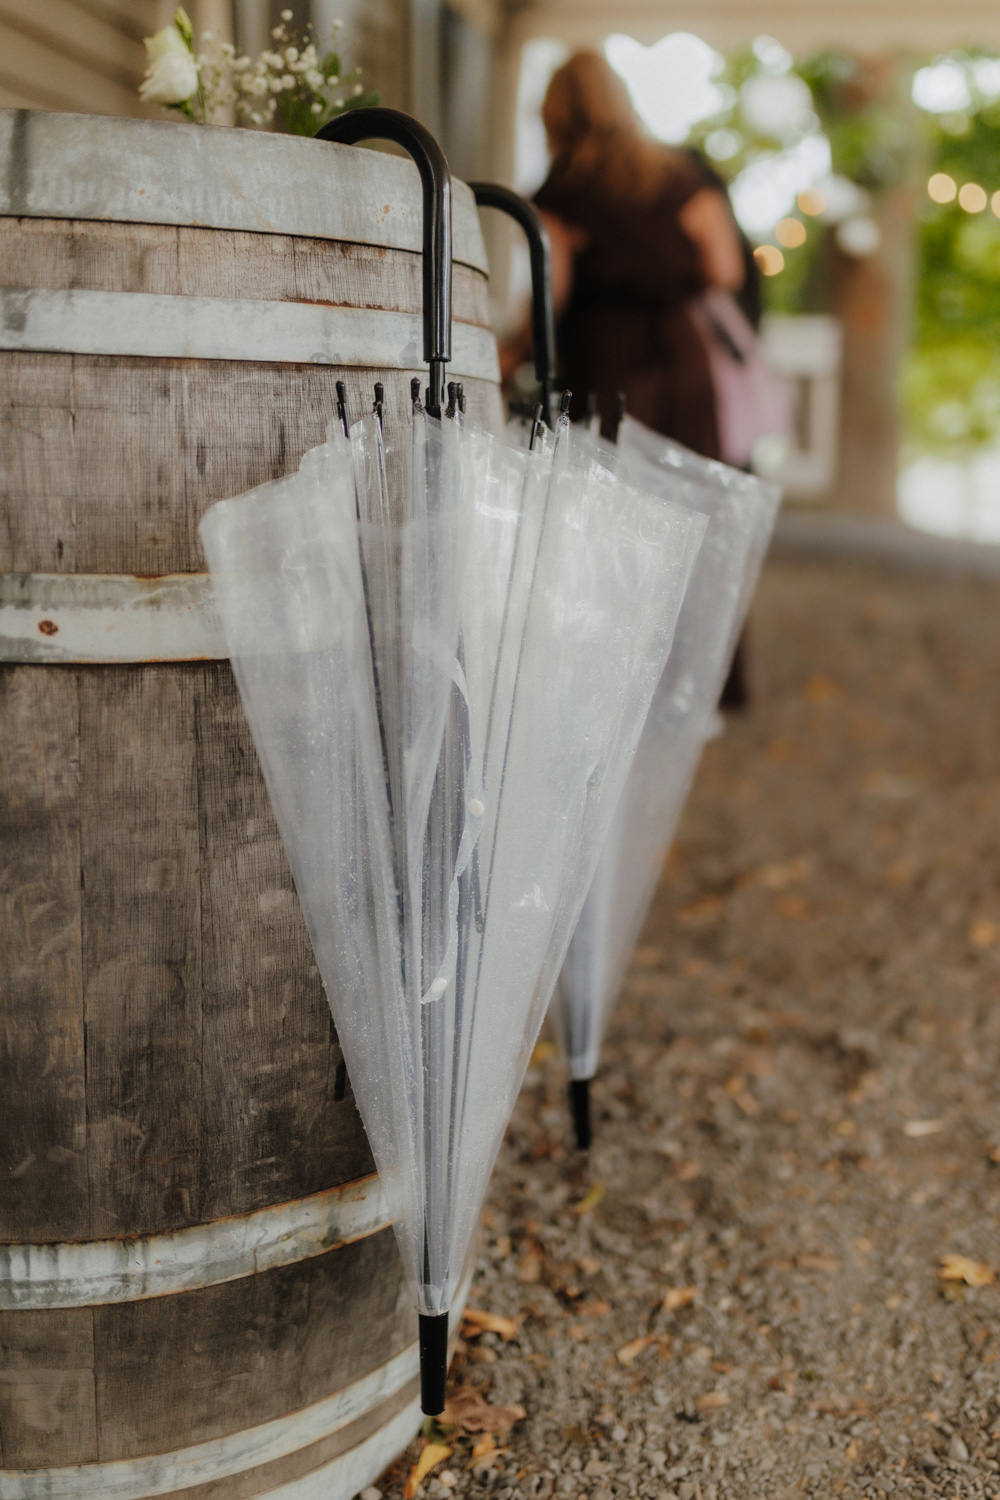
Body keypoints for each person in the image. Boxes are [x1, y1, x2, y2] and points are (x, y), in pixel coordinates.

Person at [512, 49, 746, 457]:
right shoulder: (681, 176)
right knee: (685, 498)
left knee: (607, 496)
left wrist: (513, 351)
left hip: (602, 363)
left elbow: (553, 294)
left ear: (556, 117)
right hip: (682, 361)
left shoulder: (559, 194)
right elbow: (726, 271)